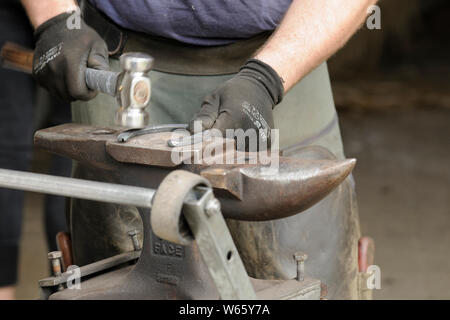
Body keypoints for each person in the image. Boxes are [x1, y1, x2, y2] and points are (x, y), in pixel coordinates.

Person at [21, 0, 378, 299]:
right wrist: (54, 16)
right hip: (118, 70)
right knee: (115, 267)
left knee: (304, 269)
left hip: (289, 62)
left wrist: (267, 79)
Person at [0, 0, 71, 300]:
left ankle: (72, 291)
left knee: (74, 171)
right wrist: (56, 20)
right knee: (6, 158)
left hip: (93, 19)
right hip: (14, 12)